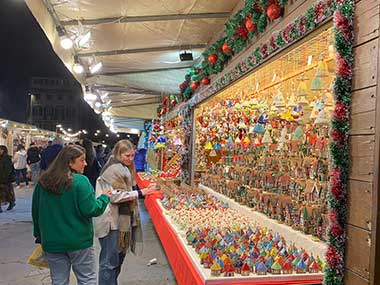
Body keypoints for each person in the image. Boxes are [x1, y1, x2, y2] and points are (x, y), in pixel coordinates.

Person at [32, 145, 112, 285]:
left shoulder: (43, 182)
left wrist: (39, 235)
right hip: (78, 241)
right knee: (86, 279)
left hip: (52, 241)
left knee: (58, 280)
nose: (86, 164)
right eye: (82, 160)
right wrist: (104, 198)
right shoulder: (80, 181)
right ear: (70, 162)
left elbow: (36, 212)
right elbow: (91, 210)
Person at [94, 140, 156, 285]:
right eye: (127, 156)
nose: (130, 159)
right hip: (111, 222)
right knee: (109, 263)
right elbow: (114, 195)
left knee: (116, 260)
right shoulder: (113, 170)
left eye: (132, 156)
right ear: (118, 154)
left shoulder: (124, 168)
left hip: (120, 222)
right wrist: (140, 193)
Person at [0, 145, 16, 212]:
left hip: (5, 179)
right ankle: (11, 202)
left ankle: (11, 202)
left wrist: (4, 178)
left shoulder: (6, 158)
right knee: (5, 192)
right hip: (2, 179)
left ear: (3, 150)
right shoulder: (1, 158)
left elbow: (7, 170)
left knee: (6, 192)